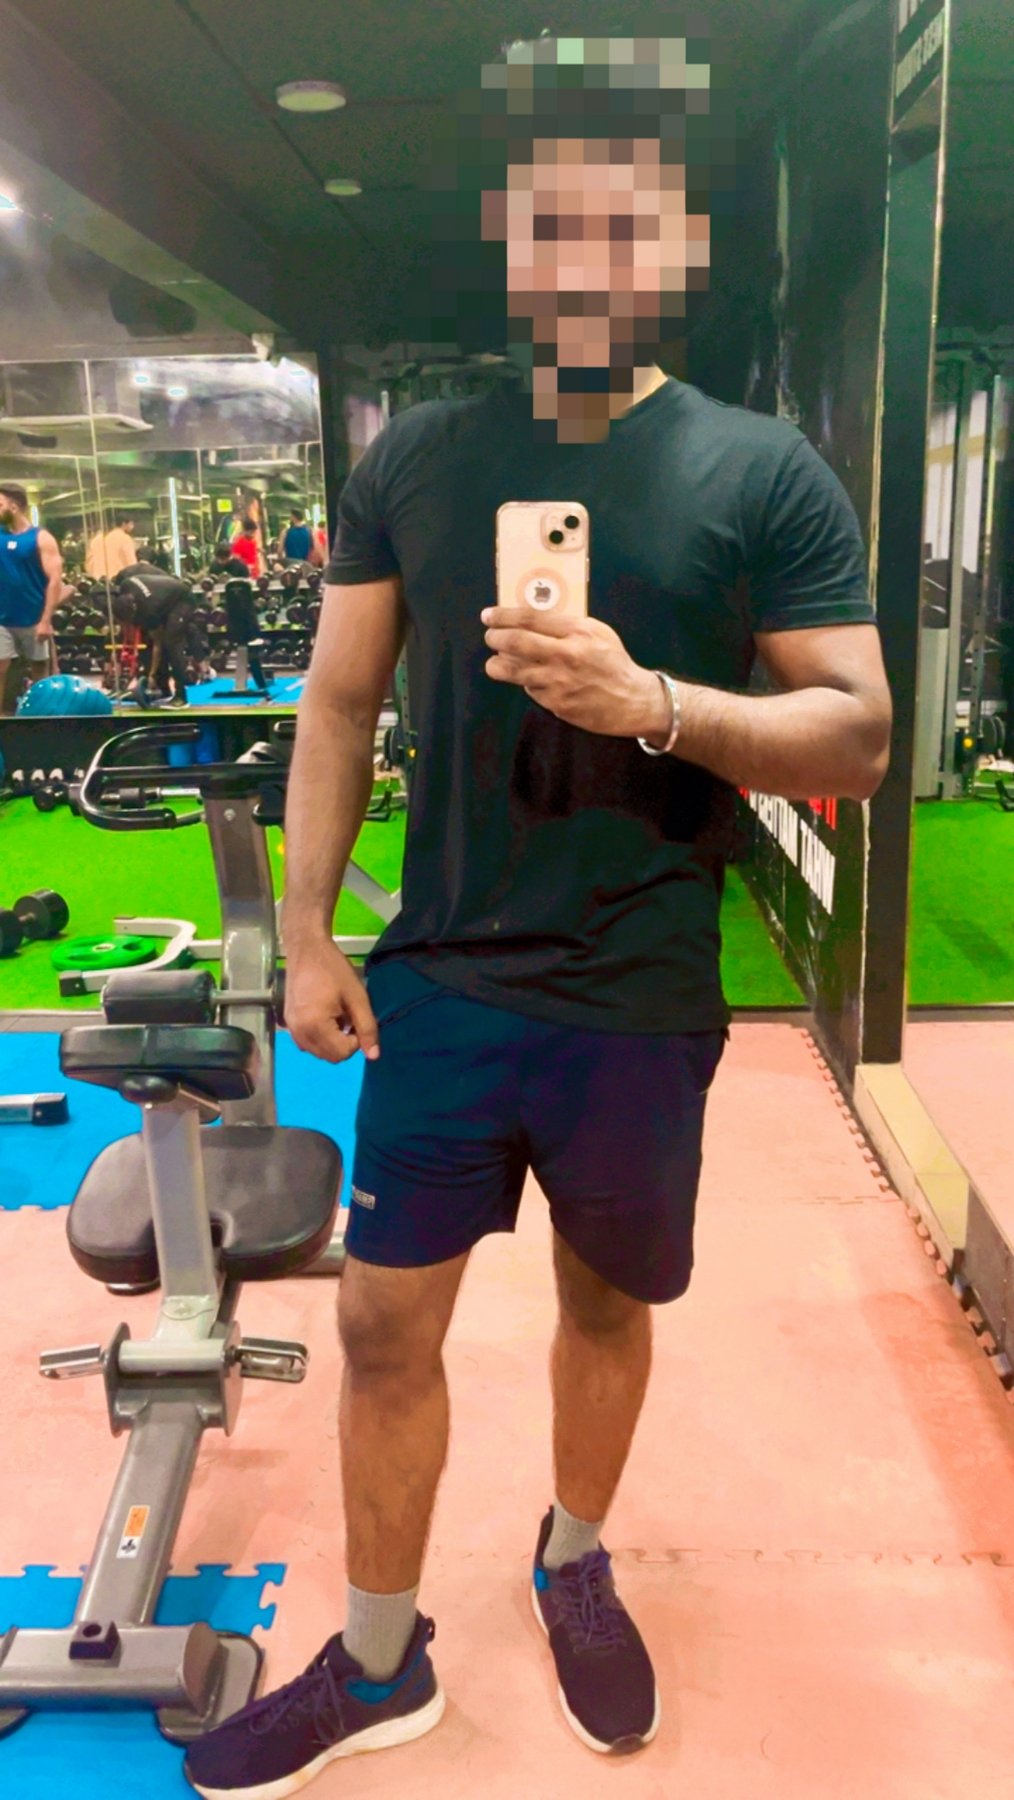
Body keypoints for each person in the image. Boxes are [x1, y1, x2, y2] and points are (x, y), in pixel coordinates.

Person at [184, 34, 893, 1800]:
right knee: (377, 1324)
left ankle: (572, 1558)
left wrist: (652, 702)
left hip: (638, 986)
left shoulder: (758, 470)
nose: (586, 257)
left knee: (603, 1300)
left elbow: (856, 732)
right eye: (553, 223)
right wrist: (310, 934)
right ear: (513, 243)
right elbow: (337, 701)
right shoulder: (416, 457)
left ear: (673, 250)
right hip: (442, 973)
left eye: (622, 225)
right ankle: (375, 1659)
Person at [0, 482, 63, 715]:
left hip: (34, 617)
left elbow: (55, 580)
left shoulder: (41, 538)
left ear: (14, 506)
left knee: (40, 671)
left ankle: (39, 718)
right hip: (2, 618)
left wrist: (46, 620)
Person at [112, 561, 201, 709]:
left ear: (134, 611)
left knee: (171, 643)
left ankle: (181, 697)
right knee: (149, 641)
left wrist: (152, 674)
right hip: (164, 596)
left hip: (182, 599)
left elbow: (157, 644)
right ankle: (162, 689)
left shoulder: (149, 610)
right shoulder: (125, 585)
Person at [211, 541, 270, 693]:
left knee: (252, 651)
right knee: (232, 644)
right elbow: (212, 590)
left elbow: (249, 589)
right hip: (228, 613)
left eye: (224, 558)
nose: (221, 562)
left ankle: (261, 684)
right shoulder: (214, 567)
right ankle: (244, 684)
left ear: (229, 555)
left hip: (245, 613)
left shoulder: (240, 566)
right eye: (219, 559)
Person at [84, 514, 137, 581]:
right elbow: (131, 562)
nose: (132, 527)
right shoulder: (125, 539)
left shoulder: (97, 539)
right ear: (124, 524)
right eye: (131, 524)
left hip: (98, 579)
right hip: (117, 579)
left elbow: (89, 562)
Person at [230, 514, 262, 578]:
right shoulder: (238, 543)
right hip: (245, 575)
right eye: (251, 532)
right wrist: (247, 566)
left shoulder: (253, 541)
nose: (253, 535)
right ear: (244, 531)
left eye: (254, 532)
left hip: (255, 573)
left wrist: (258, 550)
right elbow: (236, 560)